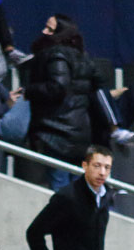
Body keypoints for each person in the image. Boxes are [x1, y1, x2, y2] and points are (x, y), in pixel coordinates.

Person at [26, 145, 114, 250]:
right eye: (97, 166)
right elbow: (34, 232)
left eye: (107, 167)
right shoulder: (67, 197)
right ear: (84, 166)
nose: (102, 172)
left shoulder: (106, 195)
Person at [25, 14, 104, 190]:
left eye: (50, 29)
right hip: (79, 132)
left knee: (61, 191)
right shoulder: (82, 57)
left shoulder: (55, 53)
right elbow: (98, 83)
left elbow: (58, 87)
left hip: (56, 132)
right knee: (75, 191)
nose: (43, 32)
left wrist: (29, 91)